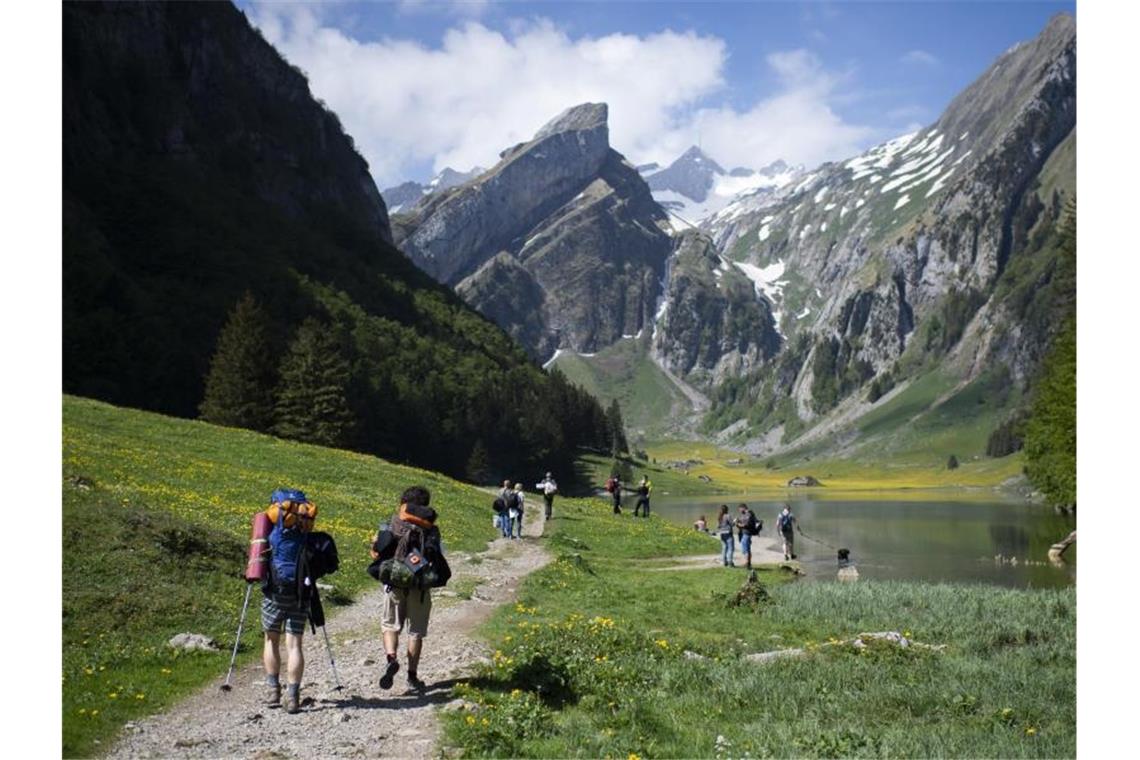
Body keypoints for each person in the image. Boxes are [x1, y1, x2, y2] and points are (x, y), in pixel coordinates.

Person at [370, 486, 452, 693]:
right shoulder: (431, 529)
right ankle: (412, 677)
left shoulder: (393, 523)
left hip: (395, 583)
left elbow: (378, 551)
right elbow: (438, 554)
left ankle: (391, 658)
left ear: (404, 502)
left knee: (390, 625)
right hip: (420, 586)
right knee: (415, 632)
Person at [261, 491, 317, 715]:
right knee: (295, 645)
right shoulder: (305, 532)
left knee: (271, 639)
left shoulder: (276, 533)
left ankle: (273, 690)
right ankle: (293, 696)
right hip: (300, 593)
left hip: (275, 591)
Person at [735, 503, 754, 570]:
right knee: (745, 549)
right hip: (744, 533)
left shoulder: (748, 514)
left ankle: (747, 563)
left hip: (747, 533)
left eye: (739, 509)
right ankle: (748, 563)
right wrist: (738, 522)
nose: (739, 511)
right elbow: (742, 522)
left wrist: (738, 524)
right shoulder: (744, 515)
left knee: (746, 549)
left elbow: (746, 524)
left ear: (743, 508)